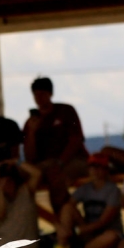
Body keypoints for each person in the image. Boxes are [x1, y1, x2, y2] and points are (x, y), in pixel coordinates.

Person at [23, 76, 87, 214]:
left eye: (43, 94)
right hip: (46, 165)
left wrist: (60, 162)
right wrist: (32, 133)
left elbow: (76, 140)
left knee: (57, 178)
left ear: (50, 94)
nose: (39, 98)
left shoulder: (66, 111)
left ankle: (64, 225)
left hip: (74, 159)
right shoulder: (31, 123)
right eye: (36, 94)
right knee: (18, 178)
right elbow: (30, 157)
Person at [51, 153, 122, 248]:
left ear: (106, 170)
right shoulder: (85, 188)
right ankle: (62, 244)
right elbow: (67, 207)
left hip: (105, 232)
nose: (94, 171)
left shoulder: (113, 190)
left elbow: (103, 222)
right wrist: (60, 227)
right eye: (91, 167)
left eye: (98, 167)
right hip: (87, 233)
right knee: (67, 208)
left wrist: (77, 231)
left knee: (112, 236)